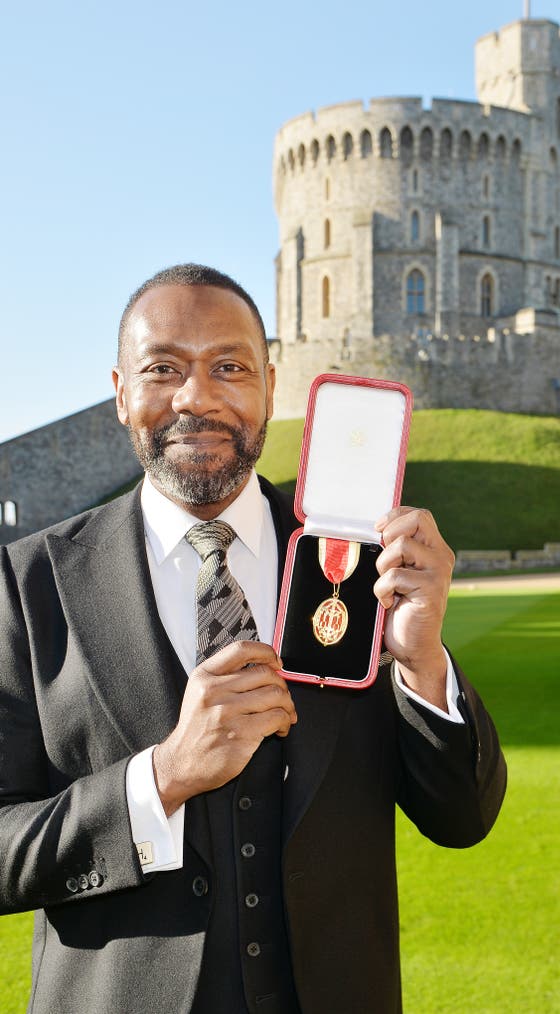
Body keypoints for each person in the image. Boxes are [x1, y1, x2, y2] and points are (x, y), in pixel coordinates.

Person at [0, 264, 507, 1014]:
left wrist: (423, 662)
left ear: (272, 386)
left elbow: (463, 819)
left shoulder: (357, 565)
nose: (195, 397)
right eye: (163, 368)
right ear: (119, 392)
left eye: (229, 367)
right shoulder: (24, 582)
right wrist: (162, 778)